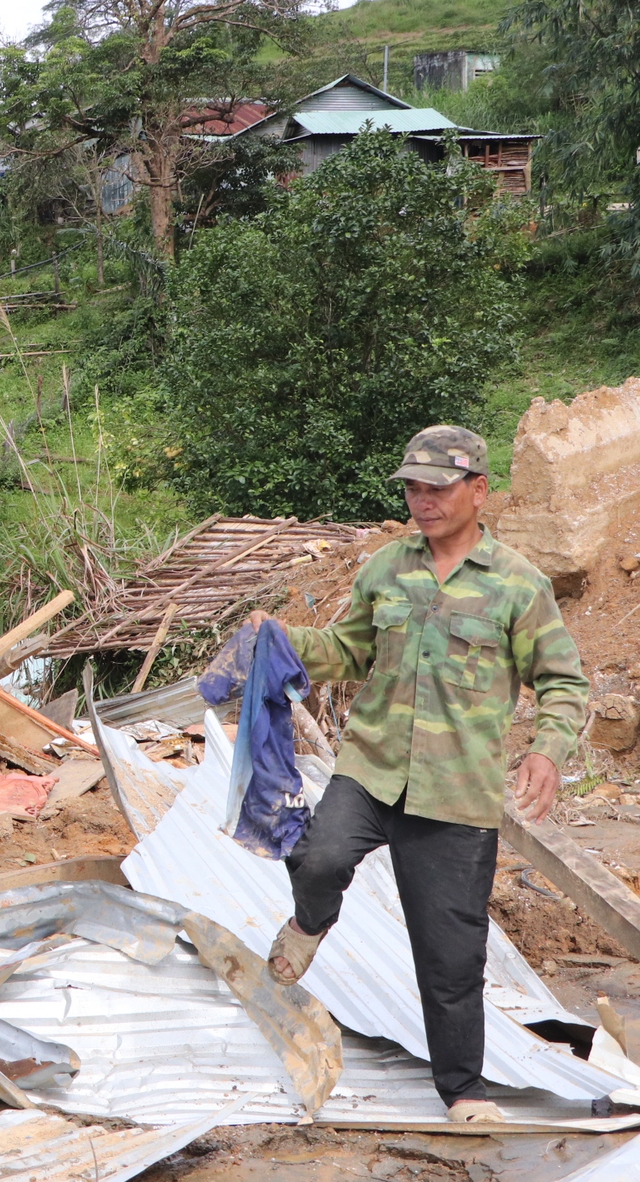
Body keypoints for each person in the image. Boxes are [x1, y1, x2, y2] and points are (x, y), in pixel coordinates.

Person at [246, 425, 589, 1122]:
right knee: (318, 857)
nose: (422, 500)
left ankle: (464, 1091)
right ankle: (310, 923)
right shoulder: (386, 570)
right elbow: (347, 649)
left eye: (437, 487)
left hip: (456, 794)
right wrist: (281, 638)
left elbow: (563, 681)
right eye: (412, 487)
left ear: (478, 490)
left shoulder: (518, 586)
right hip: (372, 769)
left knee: (450, 956)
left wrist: (547, 749)